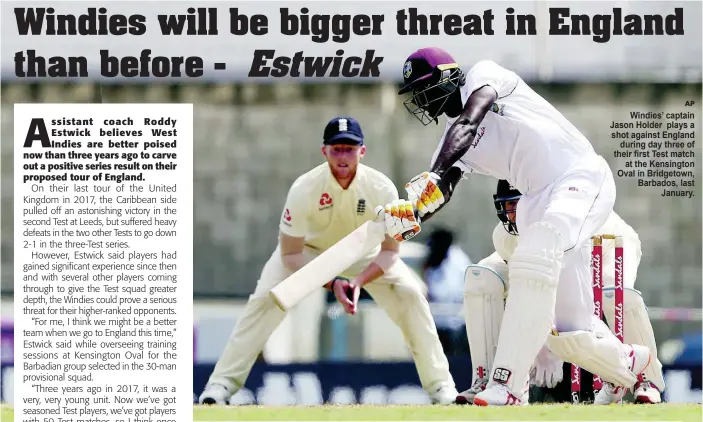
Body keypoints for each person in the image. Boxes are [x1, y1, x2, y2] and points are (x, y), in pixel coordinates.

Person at [376, 47, 652, 406]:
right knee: (568, 333)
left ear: (447, 78)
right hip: (536, 201)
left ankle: (507, 385)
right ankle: (630, 364)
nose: (420, 100)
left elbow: (468, 124)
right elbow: (440, 191)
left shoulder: (483, 77)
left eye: (424, 89)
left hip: (579, 176)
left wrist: (434, 174)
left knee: (532, 257)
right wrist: (408, 215)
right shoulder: (450, 143)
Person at [198, 116, 458, 405]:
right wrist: (333, 283)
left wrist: (358, 282)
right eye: (336, 149)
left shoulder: (381, 188)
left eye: (350, 148)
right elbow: (290, 254)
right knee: (263, 301)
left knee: (411, 293)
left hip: (365, 255)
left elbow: (389, 252)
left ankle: (441, 388)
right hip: (309, 254)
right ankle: (219, 387)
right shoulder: (304, 188)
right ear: (324, 151)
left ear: (363, 151)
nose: (343, 156)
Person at [456, 180, 665, 405]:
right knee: (483, 277)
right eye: (510, 208)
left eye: (520, 207)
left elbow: (571, 297)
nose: (515, 216)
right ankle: (490, 381)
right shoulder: (505, 237)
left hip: (603, 244)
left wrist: (550, 345)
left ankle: (646, 379)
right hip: (540, 248)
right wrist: (537, 349)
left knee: (614, 293)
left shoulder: (568, 220)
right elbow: (527, 291)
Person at [423, 228, 472, 355]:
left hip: (456, 325)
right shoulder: (435, 259)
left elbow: (448, 292)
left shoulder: (458, 262)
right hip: (437, 323)